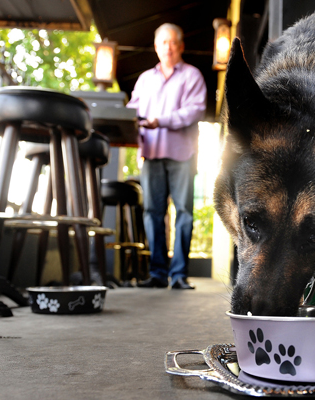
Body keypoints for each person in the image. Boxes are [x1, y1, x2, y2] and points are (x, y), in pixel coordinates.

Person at [127, 23, 207, 289]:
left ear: (181, 46)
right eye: (163, 42)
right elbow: (132, 111)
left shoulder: (192, 76)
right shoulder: (145, 79)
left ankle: (179, 274)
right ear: (156, 46)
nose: (168, 47)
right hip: (151, 154)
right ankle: (158, 272)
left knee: (184, 212)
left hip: (182, 154)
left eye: (173, 42)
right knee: (152, 212)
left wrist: (159, 121)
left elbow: (194, 111)